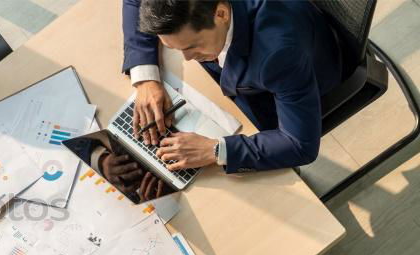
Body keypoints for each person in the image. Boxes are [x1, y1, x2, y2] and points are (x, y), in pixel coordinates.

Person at [123, 0, 342, 173]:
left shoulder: (280, 56)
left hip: (278, 89)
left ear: (221, 14)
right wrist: (146, 77)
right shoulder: (211, 24)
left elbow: (299, 144)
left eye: (192, 47)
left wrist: (215, 150)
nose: (187, 59)